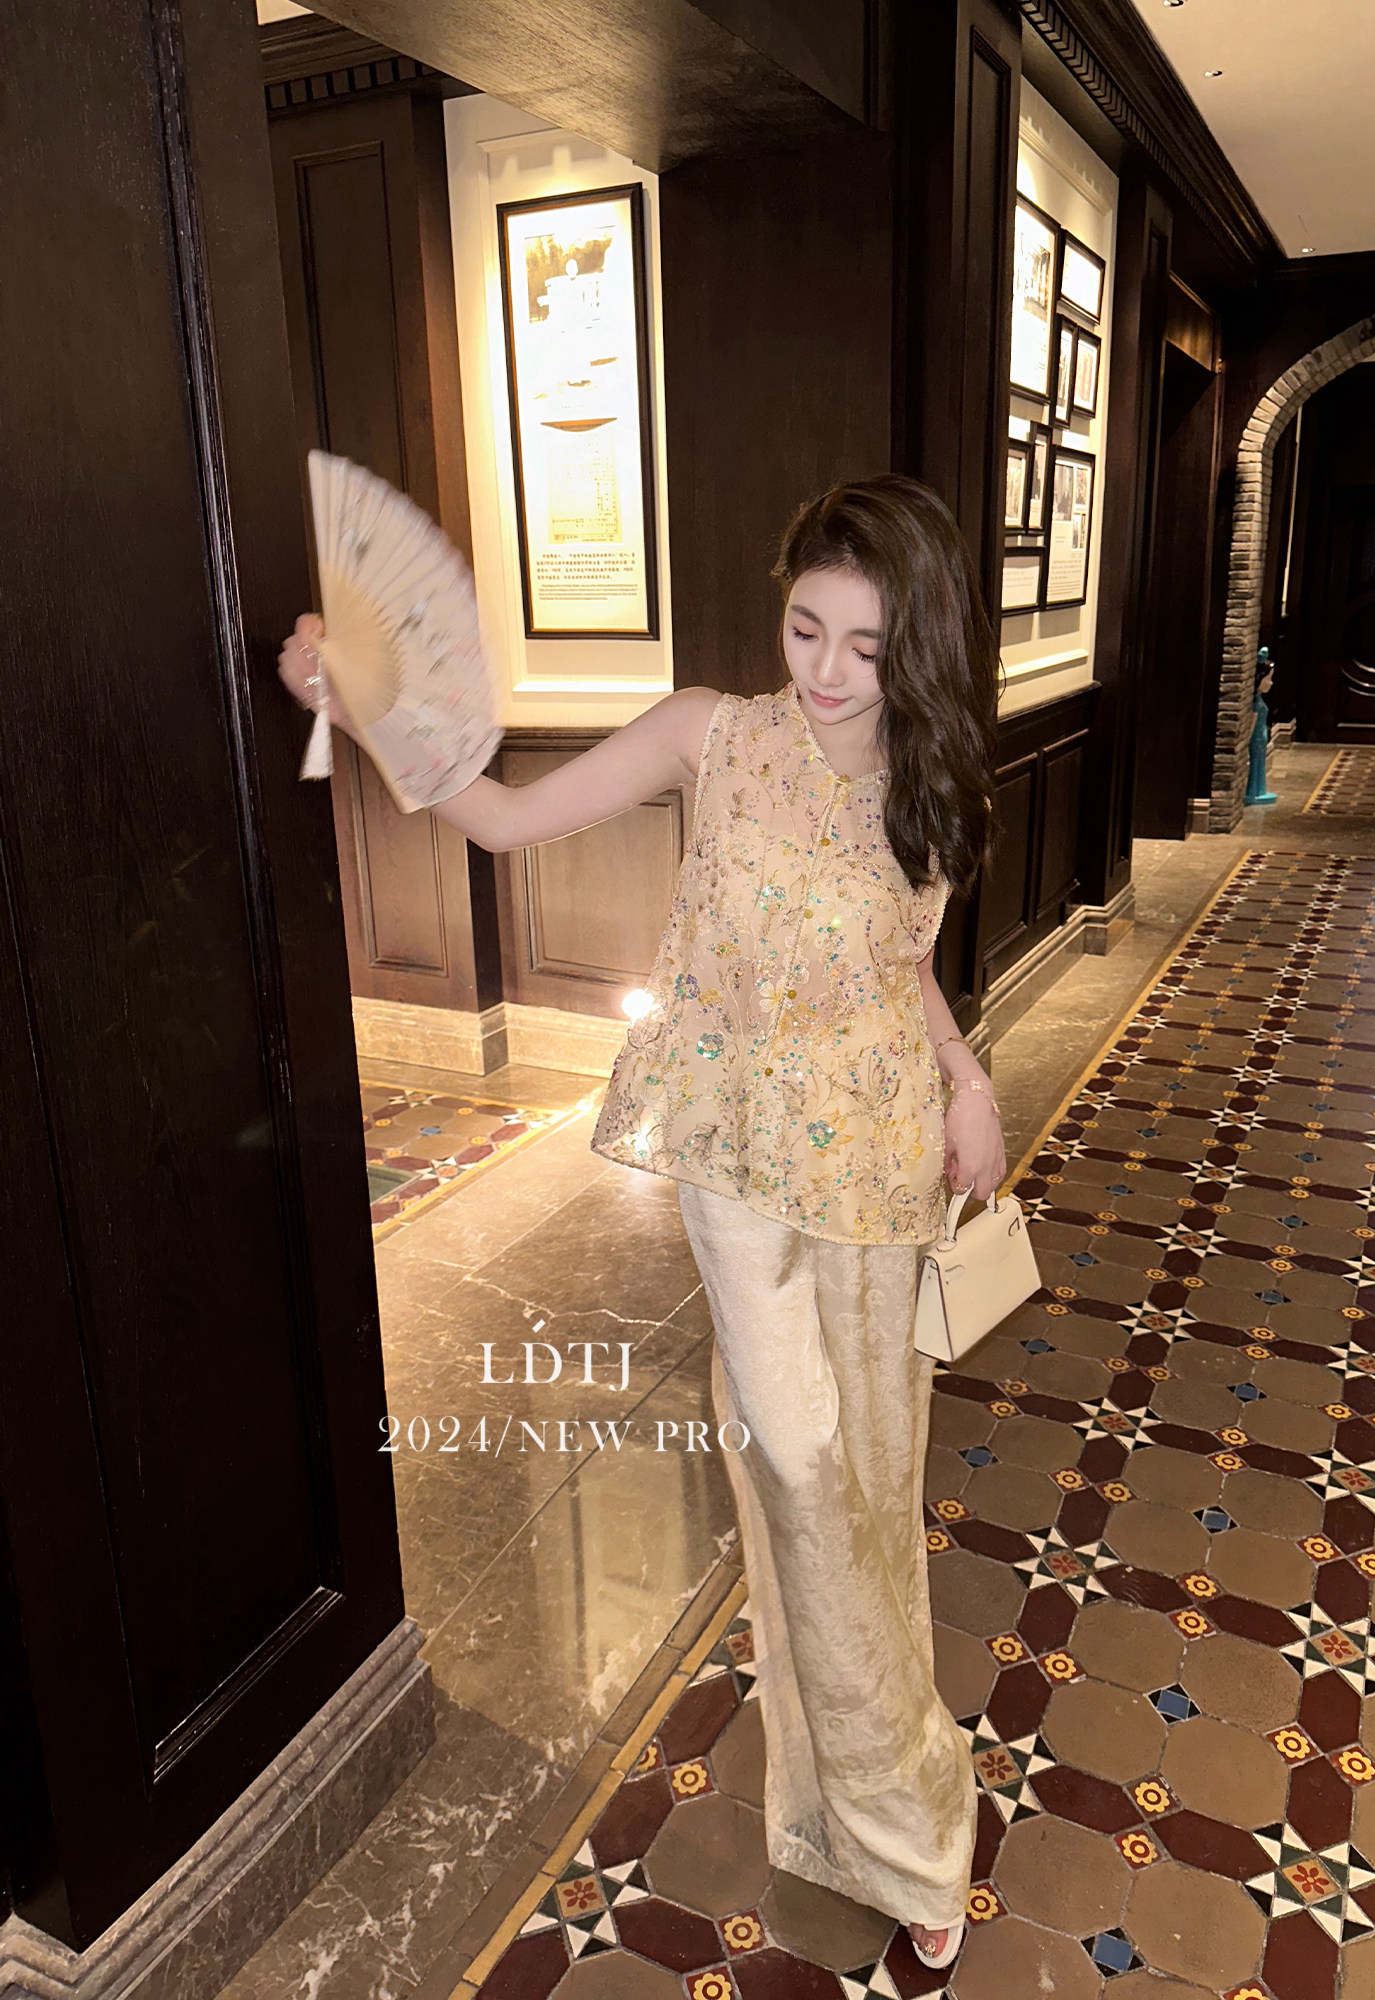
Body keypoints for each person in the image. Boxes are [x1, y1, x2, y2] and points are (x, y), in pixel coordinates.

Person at [278, 474, 1005, 1972]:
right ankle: (912, 1826)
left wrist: (968, 1078)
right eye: (804, 629)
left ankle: (867, 1812)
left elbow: (898, 962)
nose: (824, 671)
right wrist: (370, 702)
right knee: (803, 1474)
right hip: (735, 1164)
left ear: (917, 648)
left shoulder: (927, 772)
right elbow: (502, 817)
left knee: (869, 1495)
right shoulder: (709, 736)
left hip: (881, 1168)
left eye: (865, 647)